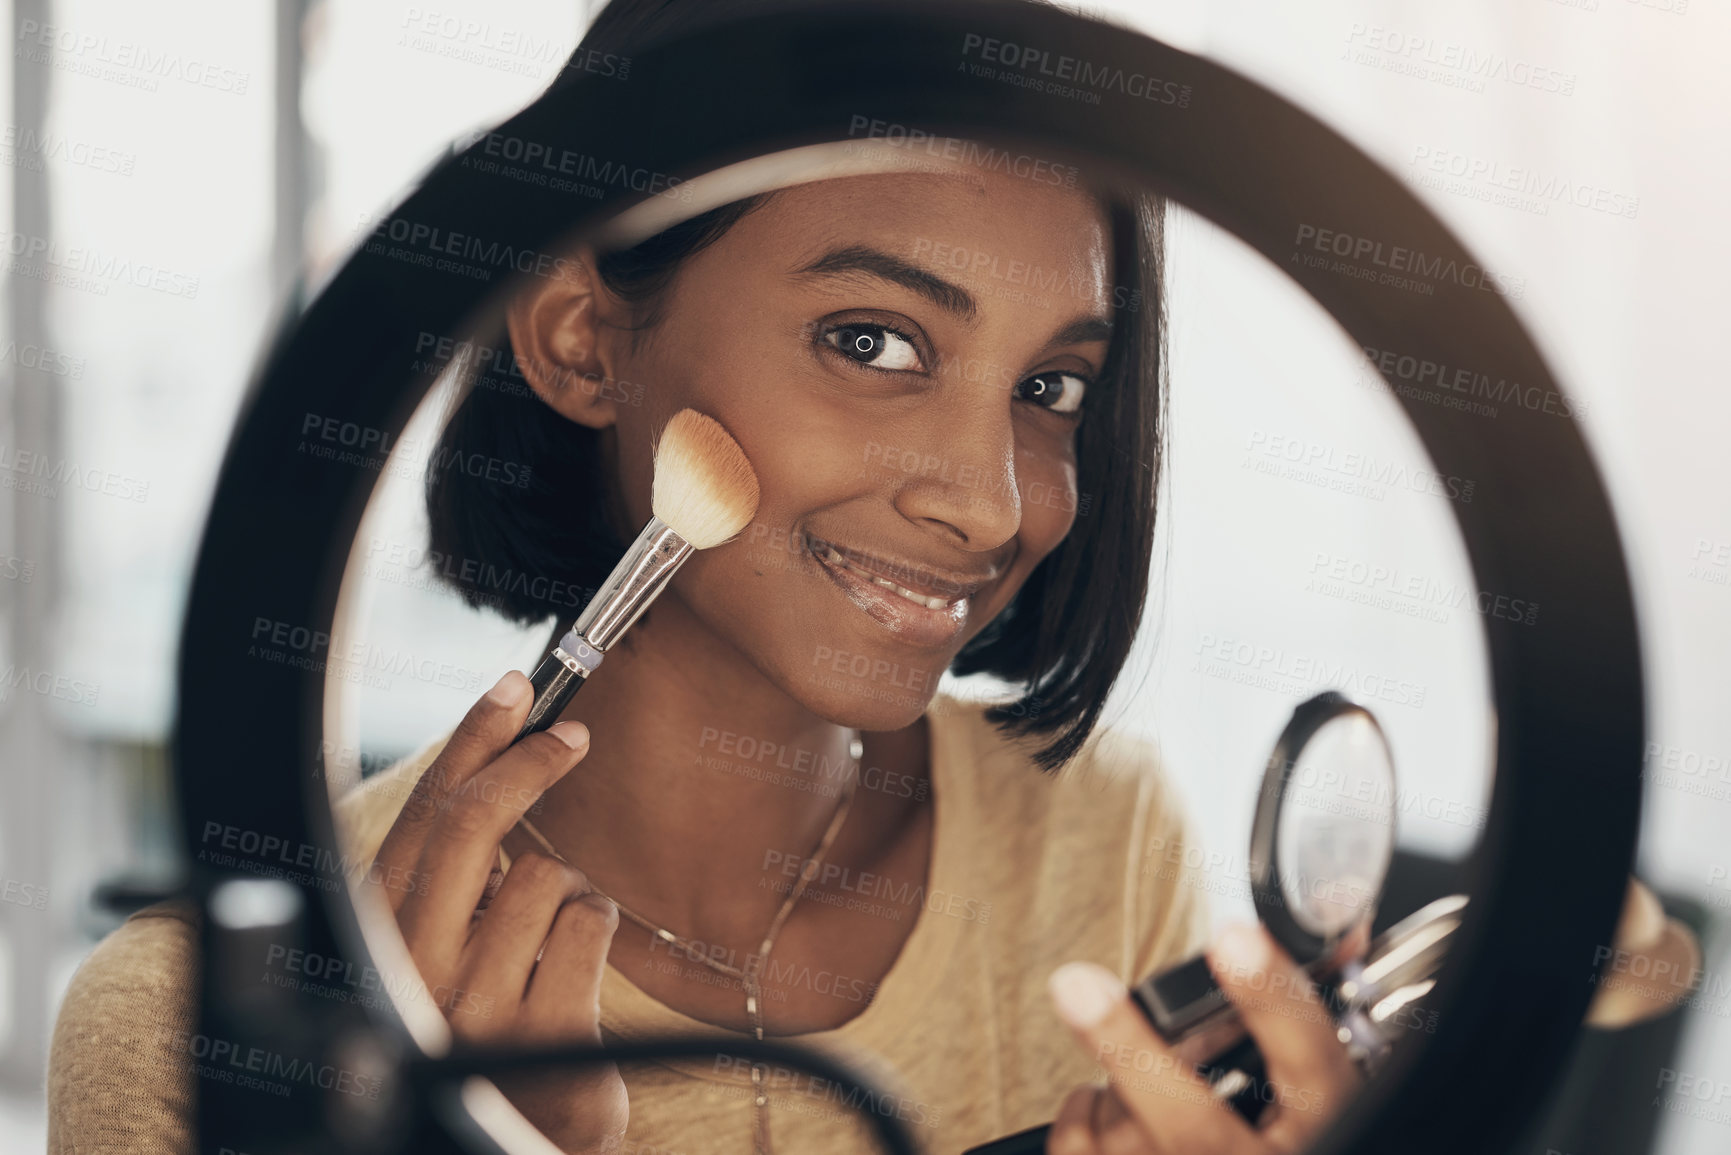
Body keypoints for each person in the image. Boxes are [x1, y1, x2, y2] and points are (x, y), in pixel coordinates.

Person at [48, 1, 1700, 1153]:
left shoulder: (1099, 835)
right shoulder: (176, 1029)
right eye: (874, 341)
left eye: (1053, 388)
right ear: (576, 337)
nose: (994, 504)